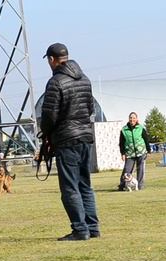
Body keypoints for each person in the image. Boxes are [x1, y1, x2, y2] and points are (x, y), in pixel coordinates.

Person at [40, 43, 100, 241]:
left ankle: (80, 230)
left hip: (66, 140)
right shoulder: (85, 79)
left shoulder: (56, 82)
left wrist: (46, 134)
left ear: (51, 60)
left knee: (70, 187)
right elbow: (90, 109)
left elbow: (49, 115)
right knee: (85, 185)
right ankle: (93, 228)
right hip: (85, 137)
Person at [118, 112, 151, 191]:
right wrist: (122, 153)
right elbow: (121, 143)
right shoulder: (124, 130)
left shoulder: (141, 128)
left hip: (141, 152)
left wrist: (148, 150)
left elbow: (146, 139)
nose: (132, 119)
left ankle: (139, 186)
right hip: (130, 153)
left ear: (136, 119)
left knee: (141, 170)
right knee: (127, 170)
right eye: (131, 118)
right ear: (129, 119)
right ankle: (122, 185)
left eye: (134, 118)